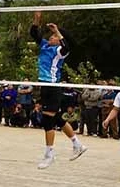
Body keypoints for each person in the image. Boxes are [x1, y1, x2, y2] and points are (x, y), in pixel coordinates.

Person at [31, 13, 87, 168]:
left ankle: (49, 154)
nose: (51, 37)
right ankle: (78, 145)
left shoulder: (60, 52)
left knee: (48, 120)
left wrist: (58, 31)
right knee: (57, 119)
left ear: (59, 41)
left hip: (53, 86)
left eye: (54, 37)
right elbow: (34, 33)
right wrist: (37, 19)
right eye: (51, 36)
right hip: (45, 86)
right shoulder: (44, 45)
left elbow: (68, 47)